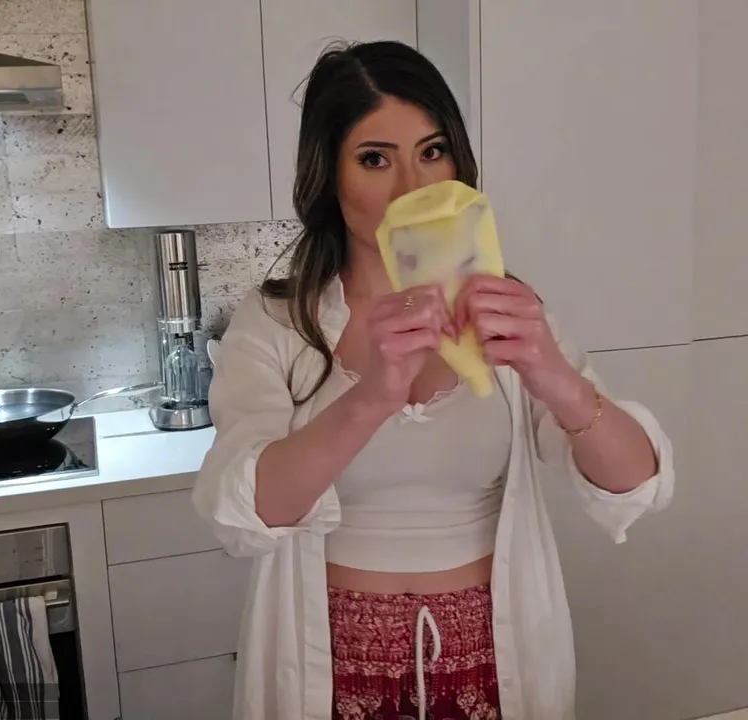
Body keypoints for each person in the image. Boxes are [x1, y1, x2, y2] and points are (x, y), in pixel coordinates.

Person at [192, 40, 675, 720]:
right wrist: (372, 396)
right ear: (329, 177)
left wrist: (553, 374)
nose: (411, 188)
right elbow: (241, 513)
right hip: (329, 669)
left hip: (495, 659)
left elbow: (637, 486)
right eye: (374, 159)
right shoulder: (279, 322)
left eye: (432, 151)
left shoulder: (504, 309)